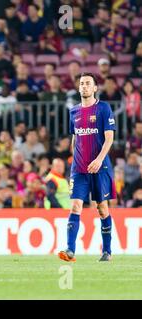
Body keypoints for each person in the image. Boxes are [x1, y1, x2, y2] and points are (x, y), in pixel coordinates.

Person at [58, 72, 116, 263]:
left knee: (102, 209)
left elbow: (109, 138)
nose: (84, 86)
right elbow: (75, 138)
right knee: (75, 205)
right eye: (81, 83)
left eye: (88, 83)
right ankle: (70, 250)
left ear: (95, 88)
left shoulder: (103, 109)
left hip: (100, 168)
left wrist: (99, 159)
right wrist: (75, 159)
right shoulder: (73, 111)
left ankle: (107, 251)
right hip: (79, 169)